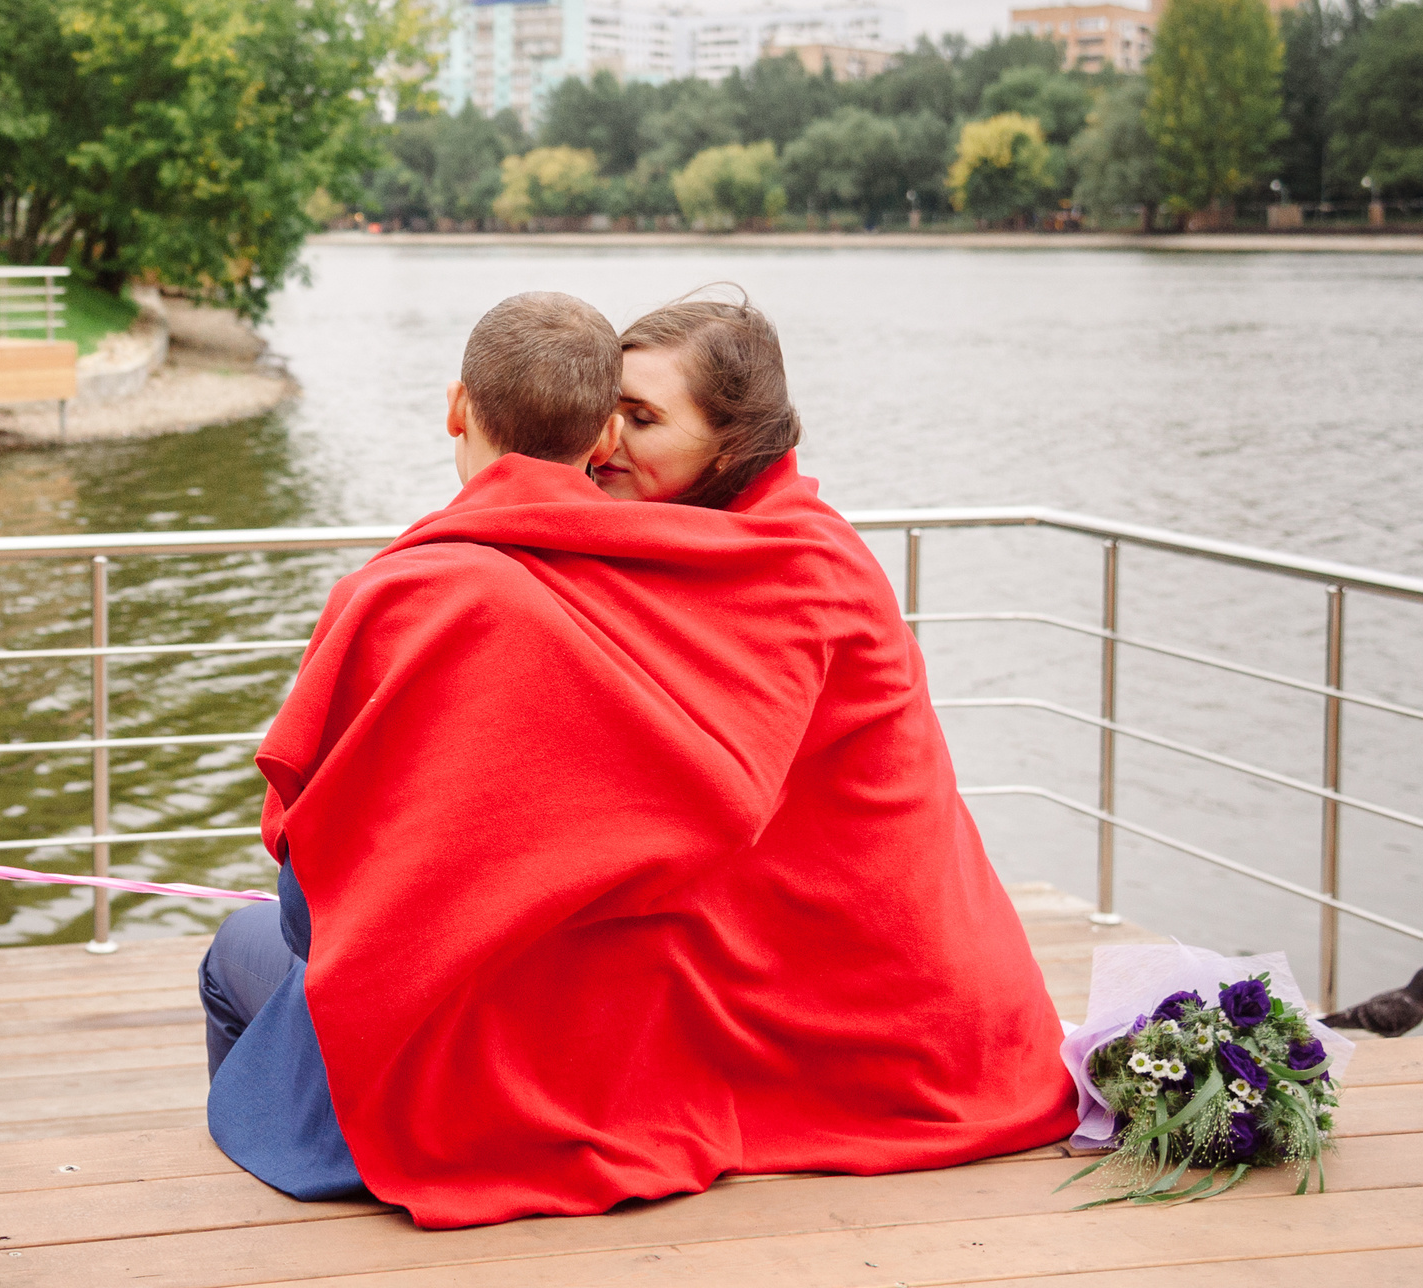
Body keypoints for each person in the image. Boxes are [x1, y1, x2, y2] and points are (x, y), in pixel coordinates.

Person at [199, 289, 1074, 1229]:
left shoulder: (797, 574)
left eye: (643, 418)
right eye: (606, 410)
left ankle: (287, 1153)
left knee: (254, 955)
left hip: (875, 1006)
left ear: (733, 449)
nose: (605, 442)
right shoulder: (661, 554)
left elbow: (716, 795)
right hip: (708, 978)